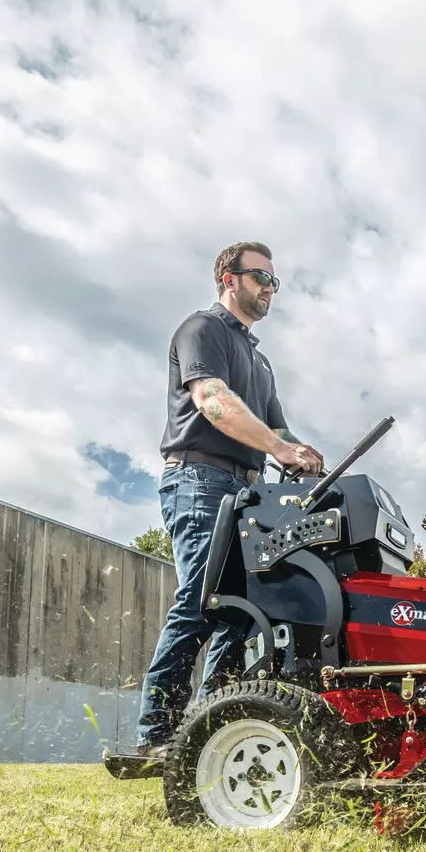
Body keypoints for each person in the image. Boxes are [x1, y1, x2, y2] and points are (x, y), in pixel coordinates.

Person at [134, 241, 324, 755]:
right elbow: (213, 402)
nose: (270, 288)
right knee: (201, 602)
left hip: (246, 492)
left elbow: (278, 428)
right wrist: (281, 447)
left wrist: (301, 452)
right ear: (229, 279)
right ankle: (156, 733)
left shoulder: (260, 364)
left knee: (239, 612)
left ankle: (205, 726)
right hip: (199, 481)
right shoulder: (203, 330)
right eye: (261, 277)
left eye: (274, 281)